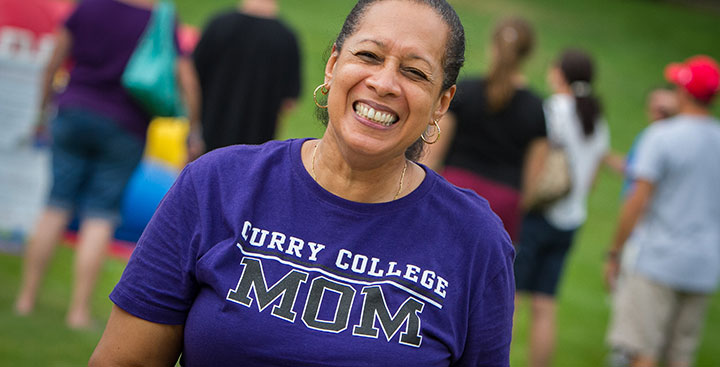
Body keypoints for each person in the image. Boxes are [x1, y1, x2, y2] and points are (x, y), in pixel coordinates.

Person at [89, 1, 516, 366]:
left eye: (415, 73)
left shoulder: (475, 240)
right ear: (333, 65)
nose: (384, 83)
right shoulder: (217, 183)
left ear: (442, 102)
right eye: (368, 55)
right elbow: (125, 359)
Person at [14, 0, 203, 329]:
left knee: (55, 205)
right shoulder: (158, 17)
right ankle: (78, 312)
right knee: (101, 214)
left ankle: (26, 299)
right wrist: (193, 129)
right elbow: (185, 77)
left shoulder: (88, 6)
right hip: (125, 125)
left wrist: (42, 113)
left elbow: (54, 59)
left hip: (73, 112)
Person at [604, 55, 720, 367]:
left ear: (682, 92)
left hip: (658, 260)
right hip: (705, 266)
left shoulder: (663, 136)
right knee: (680, 355)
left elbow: (637, 201)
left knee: (642, 350)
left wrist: (615, 252)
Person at [513, 49, 610, 367]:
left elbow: (535, 157)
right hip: (571, 220)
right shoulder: (597, 117)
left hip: (539, 215)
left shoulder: (553, 109)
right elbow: (593, 178)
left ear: (561, 74)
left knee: (512, 300)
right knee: (545, 306)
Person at [422, 17, 547, 242]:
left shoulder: (464, 92)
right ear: (528, 55)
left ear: (492, 47)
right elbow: (534, 179)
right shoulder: (537, 108)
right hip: (503, 205)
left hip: (453, 190)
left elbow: (432, 151)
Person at [192, 0, 301, 151]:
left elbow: (191, 81)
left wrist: (193, 132)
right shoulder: (288, 39)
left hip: (206, 145)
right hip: (254, 154)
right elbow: (288, 103)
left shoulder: (218, 25)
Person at [620, 87, 678, 198]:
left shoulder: (671, 139)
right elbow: (631, 167)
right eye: (654, 100)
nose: (658, 105)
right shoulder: (647, 135)